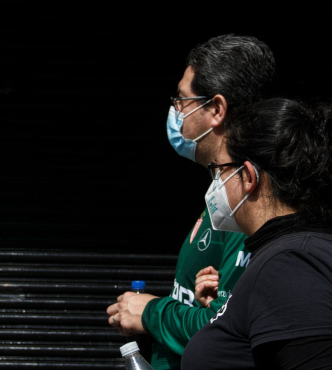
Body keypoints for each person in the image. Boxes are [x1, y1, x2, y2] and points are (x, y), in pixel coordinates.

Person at [106, 34, 278, 369]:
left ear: (216, 110)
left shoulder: (250, 207)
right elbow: (211, 312)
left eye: (182, 100)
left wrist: (151, 313)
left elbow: (226, 331)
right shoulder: (220, 198)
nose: (175, 111)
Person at [182, 98, 332, 369]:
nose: (215, 184)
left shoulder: (289, 265)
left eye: (219, 170)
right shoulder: (301, 253)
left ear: (248, 177)